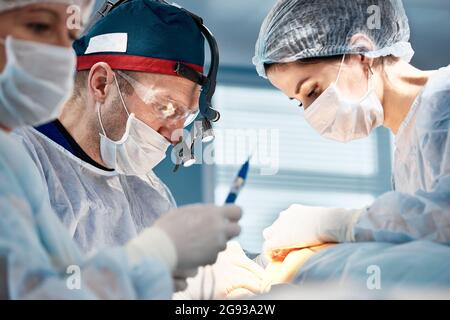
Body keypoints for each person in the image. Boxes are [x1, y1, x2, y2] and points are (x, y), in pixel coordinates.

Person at [0, 0, 241, 299]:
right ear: (101, 84)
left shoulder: (151, 196)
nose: (177, 134)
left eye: (186, 115)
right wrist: (151, 257)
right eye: (165, 107)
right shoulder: (17, 162)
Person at [252, 0, 450, 256]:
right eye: (299, 103)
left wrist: (337, 224)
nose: (312, 113)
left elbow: (443, 218)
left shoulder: (444, 99)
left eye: (313, 91)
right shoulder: (407, 146)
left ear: (361, 53)